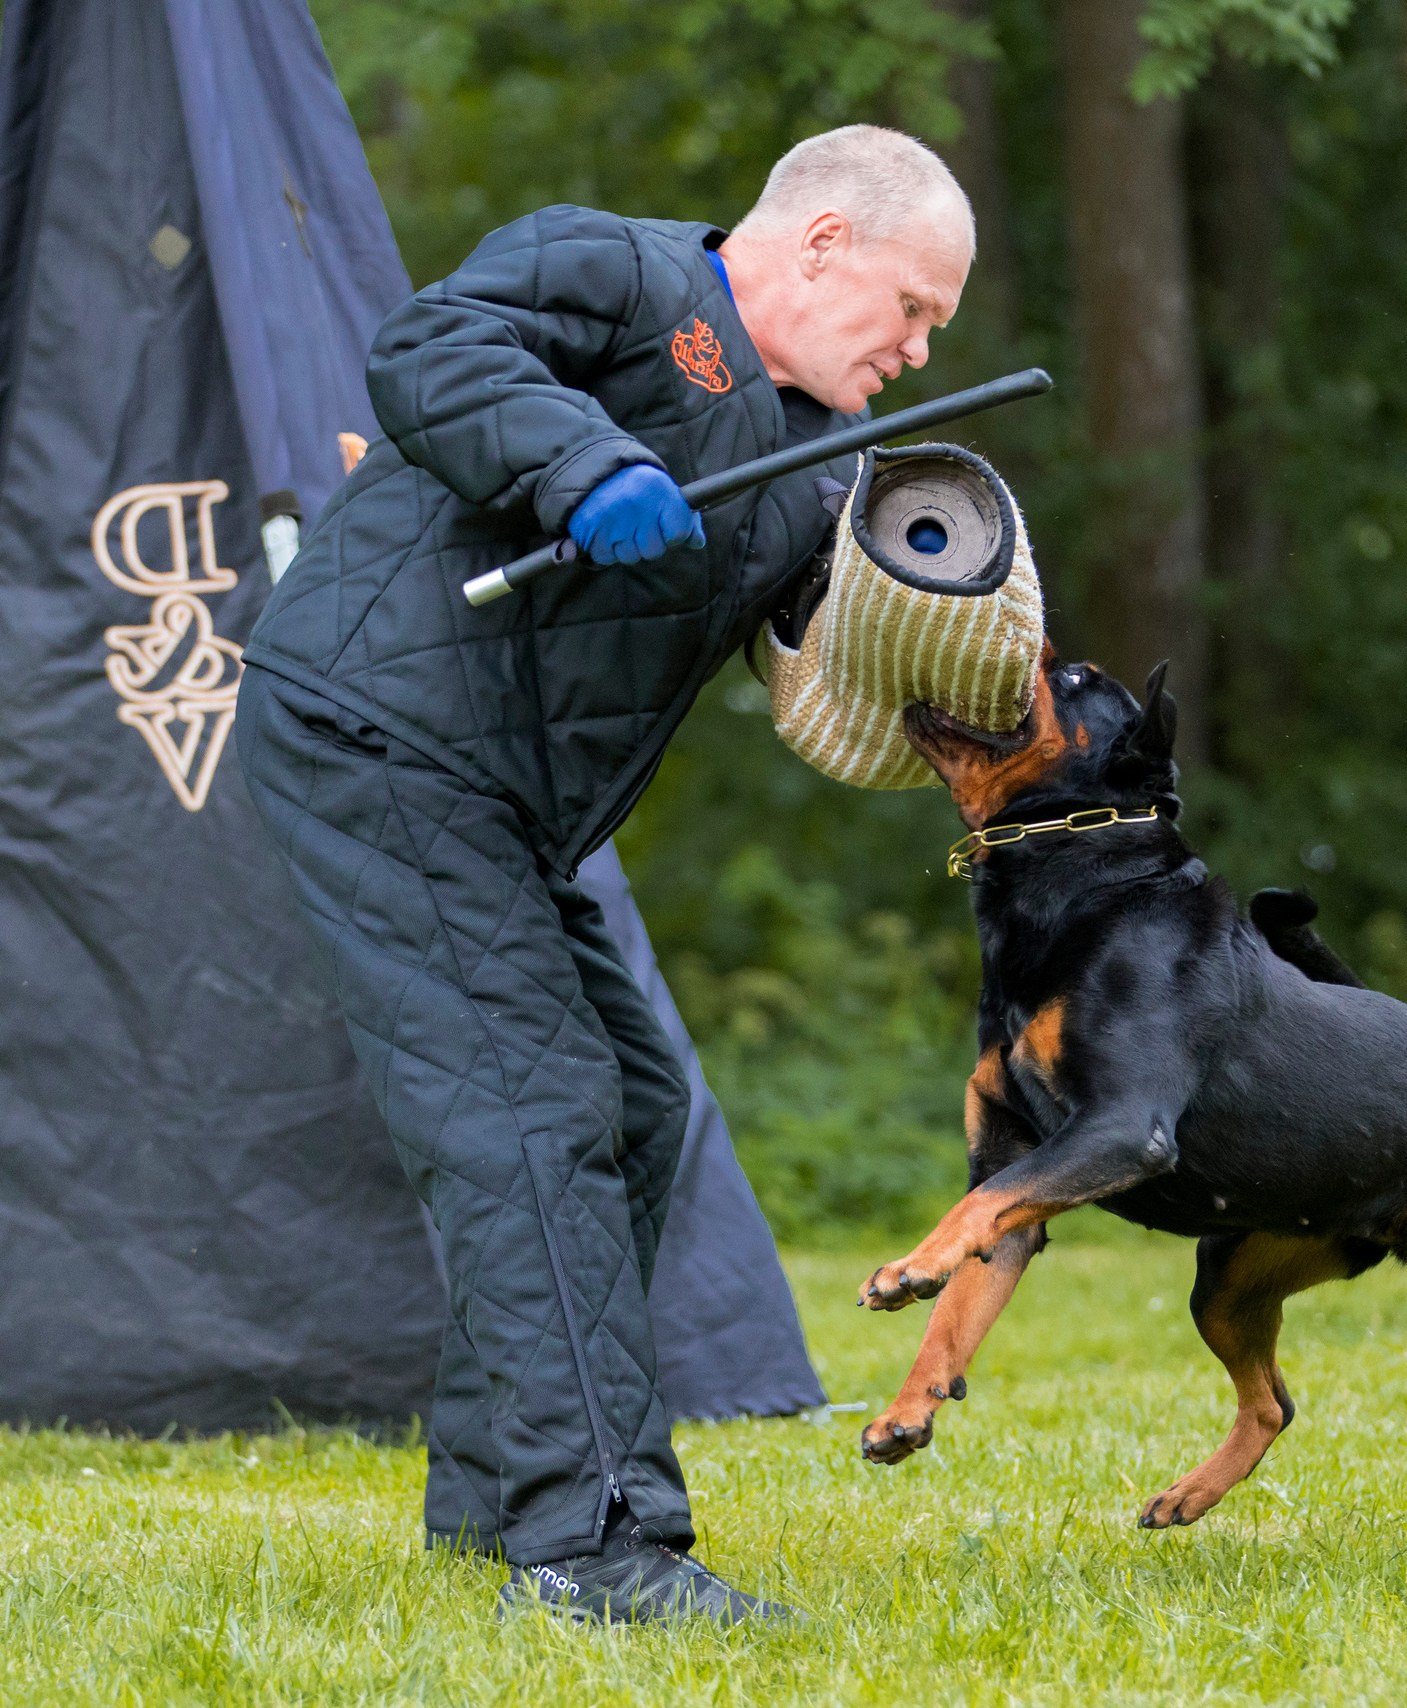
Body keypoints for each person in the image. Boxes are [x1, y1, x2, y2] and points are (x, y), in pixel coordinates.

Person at [235, 126, 973, 1624]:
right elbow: (433, 348)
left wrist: (965, 630)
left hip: (501, 798)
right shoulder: (623, 274)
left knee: (630, 1109)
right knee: (532, 1111)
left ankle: (502, 1507)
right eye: (910, 310)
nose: (912, 350)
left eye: (933, 336)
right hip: (376, 730)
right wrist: (584, 460)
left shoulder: (804, 472)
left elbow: (849, 671)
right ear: (823, 240)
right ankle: (594, 1548)